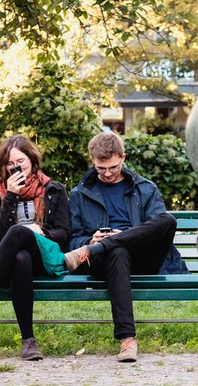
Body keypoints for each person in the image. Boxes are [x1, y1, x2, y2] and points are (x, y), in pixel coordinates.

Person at [63, 131, 187, 363]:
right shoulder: (79, 194)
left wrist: (126, 235)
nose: (108, 173)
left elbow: (158, 232)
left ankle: (109, 244)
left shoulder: (145, 189)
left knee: (167, 220)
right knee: (117, 251)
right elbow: (72, 241)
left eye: (113, 167)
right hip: (105, 261)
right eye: (101, 168)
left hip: (143, 257)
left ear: (123, 157)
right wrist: (89, 242)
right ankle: (127, 340)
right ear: (92, 160)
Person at [0, 135, 72, 361]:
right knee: (20, 256)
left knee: (21, 232)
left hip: (47, 257)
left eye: (20, 161)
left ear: (32, 159)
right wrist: (10, 196)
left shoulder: (54, 190)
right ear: (3, 166)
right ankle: (28, 342)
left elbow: (65, 233)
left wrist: (43, 233)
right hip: (11, 262)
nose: (16, 167)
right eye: (10, 163)